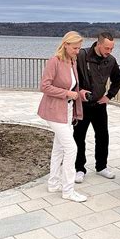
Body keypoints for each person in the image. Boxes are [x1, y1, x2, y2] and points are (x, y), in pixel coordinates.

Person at [37, 31, 90, 202]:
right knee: (71, 148)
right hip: (53, 111)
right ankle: (68, 190)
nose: (78, 51)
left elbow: (72, 87)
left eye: (79, 48)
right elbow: (44, 87)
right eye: (75, 48)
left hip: (66, 111)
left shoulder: (72, 62)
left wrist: (78, 93)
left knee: (59, 148)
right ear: (66, 45)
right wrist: (67, 93)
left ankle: (53, 183)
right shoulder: (55, 61)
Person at [73, 31, 120, 183]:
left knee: (102, 136)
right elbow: (70, 77)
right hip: (82, 104)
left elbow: (117, 80)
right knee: (78, 137)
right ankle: (79, 168)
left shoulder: (111, 60)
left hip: (99, 105)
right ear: (98, 44)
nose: (109, 52)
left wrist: (109, 96)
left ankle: (101, 166)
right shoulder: (81, 55)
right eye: (107, 48)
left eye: (112, 49)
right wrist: (77, 91)